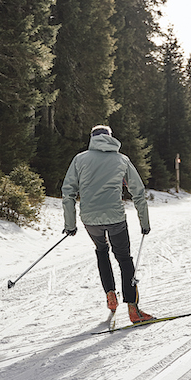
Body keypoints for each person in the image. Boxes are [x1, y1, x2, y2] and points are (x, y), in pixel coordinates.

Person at [62, 125, 154, 323]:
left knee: (101, 251)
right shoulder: (121, 159)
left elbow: (68, 192)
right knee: (124, 259)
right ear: (110, 138)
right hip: (115, 218)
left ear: (92, 138)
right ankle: (133, 308)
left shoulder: (80, 159)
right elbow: (138, 192)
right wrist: (144, 223)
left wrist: (70, 224)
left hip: (90, 220)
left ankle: (111, 297)